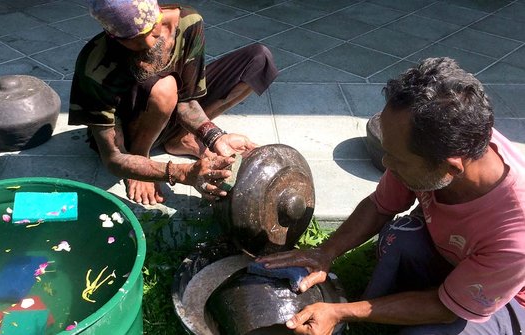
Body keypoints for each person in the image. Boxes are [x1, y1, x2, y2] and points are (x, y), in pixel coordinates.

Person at [257, 57, 525, 335]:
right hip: (455, 256)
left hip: (505, 300)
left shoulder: (515, 235)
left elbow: (446, 309)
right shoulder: (449, 138)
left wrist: (339, 311)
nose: (386, 163)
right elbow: (379, 205)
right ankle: (384, 310)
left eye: (397, 158)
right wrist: (325, 252)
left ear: (450, 167)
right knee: (401, 237)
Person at [68, 0, 278, 205]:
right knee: (165, 87)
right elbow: (113, 157)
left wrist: (214, 137)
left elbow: (187, 102)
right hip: (128, 136)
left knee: (258, 60)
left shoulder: (189, 23)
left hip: (169, 113)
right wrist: (178, 172)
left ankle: (181, 138)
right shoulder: (94, 65)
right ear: (112, 35)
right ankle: (141, 156)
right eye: (133, 41)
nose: (148, 44)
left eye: (152, 32)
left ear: (159, 12)